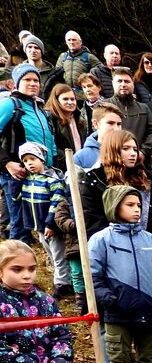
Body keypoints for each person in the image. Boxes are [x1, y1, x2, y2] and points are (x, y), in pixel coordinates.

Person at [88, 185, 152, 363]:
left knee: (148, 361)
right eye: (130, 205)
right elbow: (93, 277)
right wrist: (110, 299)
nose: (137, 209)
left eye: (138, 205)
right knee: (119, 362)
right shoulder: (101, 240)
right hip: (118, 313)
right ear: (114, 206)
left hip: (148, 311)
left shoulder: (151, 239)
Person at [0, 64, 58, 246]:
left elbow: (50, 140)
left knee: (34, 223)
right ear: (16, 83)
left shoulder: (40, 108)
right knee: (18, 223)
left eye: (36, 80)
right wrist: (7, 164)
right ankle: (11, 265)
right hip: (17, 174)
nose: (33, 84)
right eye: (27, 80)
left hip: (40, 174)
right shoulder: (10, 104)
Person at [15, 142, 71, 297]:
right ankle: (62, 279)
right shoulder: (28, 180)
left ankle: (62, 283)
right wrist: (16, 181)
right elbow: (16, 197)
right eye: (25, 161)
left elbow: (57, 202)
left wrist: (50, 223)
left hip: (50, 225)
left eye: (33, 159)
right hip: (38, 225)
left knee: (58, 253)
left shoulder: (51, 180)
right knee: (50, 253)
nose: (29, 163)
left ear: (42, 159)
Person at [79, 130, 152, 238]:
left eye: (135, 149)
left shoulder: (146, 179)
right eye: (126, 148)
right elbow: (92, 222)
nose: (133, 153)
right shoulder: (94, 180)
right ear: (112, 150)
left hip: (145, 245)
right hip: (110, 245)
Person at [106, 68, 152, 164]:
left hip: (139, 162)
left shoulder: (144, 108)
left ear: (133, 84)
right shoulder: (105, 107)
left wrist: (143, 152)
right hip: (112, 161)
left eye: (127, 81)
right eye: (119, 81)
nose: (123, 84)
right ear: (113, 84)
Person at [45, 31, 100, 100]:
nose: (71, 42)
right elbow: (56, 76)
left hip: (84, 96)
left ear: (80, 42)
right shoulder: (62, 57)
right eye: (69, 40)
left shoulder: (89, 57)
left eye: (74, 40)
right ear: (66, 42)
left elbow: (100, 73)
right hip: (67, 95)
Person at [73, 101, 123, 170]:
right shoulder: (81, 157)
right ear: (95, 124)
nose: (116, 128)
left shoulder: (128, 152)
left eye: (119, 124)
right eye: (110, 123)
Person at [44, 83, 87, 153]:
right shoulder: (49, 119)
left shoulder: (79, 119)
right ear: (56, 101)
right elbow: (52, 146)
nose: (70, 102)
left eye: (72, 99)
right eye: (65, 99)